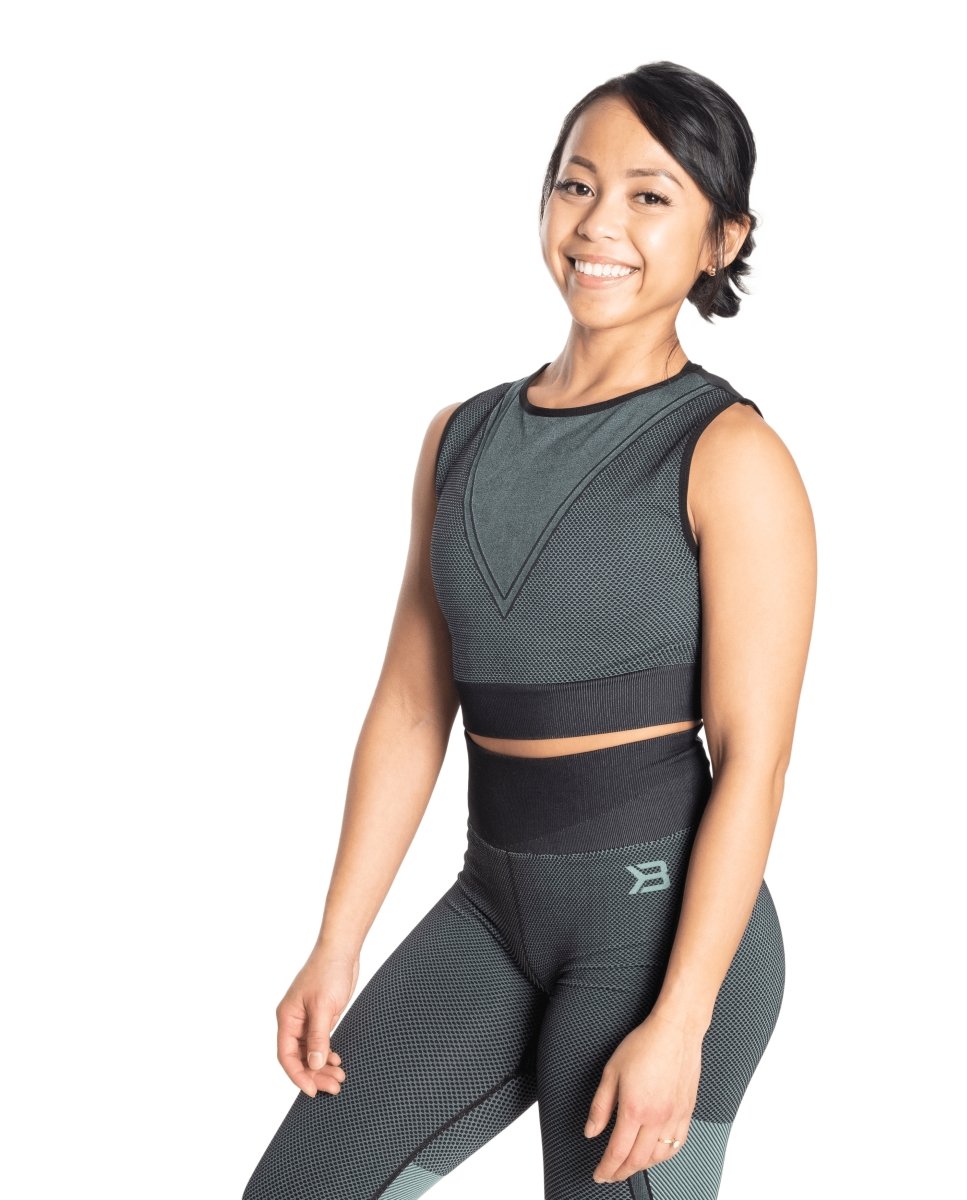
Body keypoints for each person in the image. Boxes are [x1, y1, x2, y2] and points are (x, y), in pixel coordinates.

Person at [242, 60, 816, 1200]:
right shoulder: (460, 437)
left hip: (660, 936)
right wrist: (336, 943)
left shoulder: (730, 455)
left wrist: (682, 1019)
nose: (599, 223)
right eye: (576, 185)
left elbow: (754, 759)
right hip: (492, 912)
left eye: (650, 196)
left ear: (722, 238)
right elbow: (413, 706)